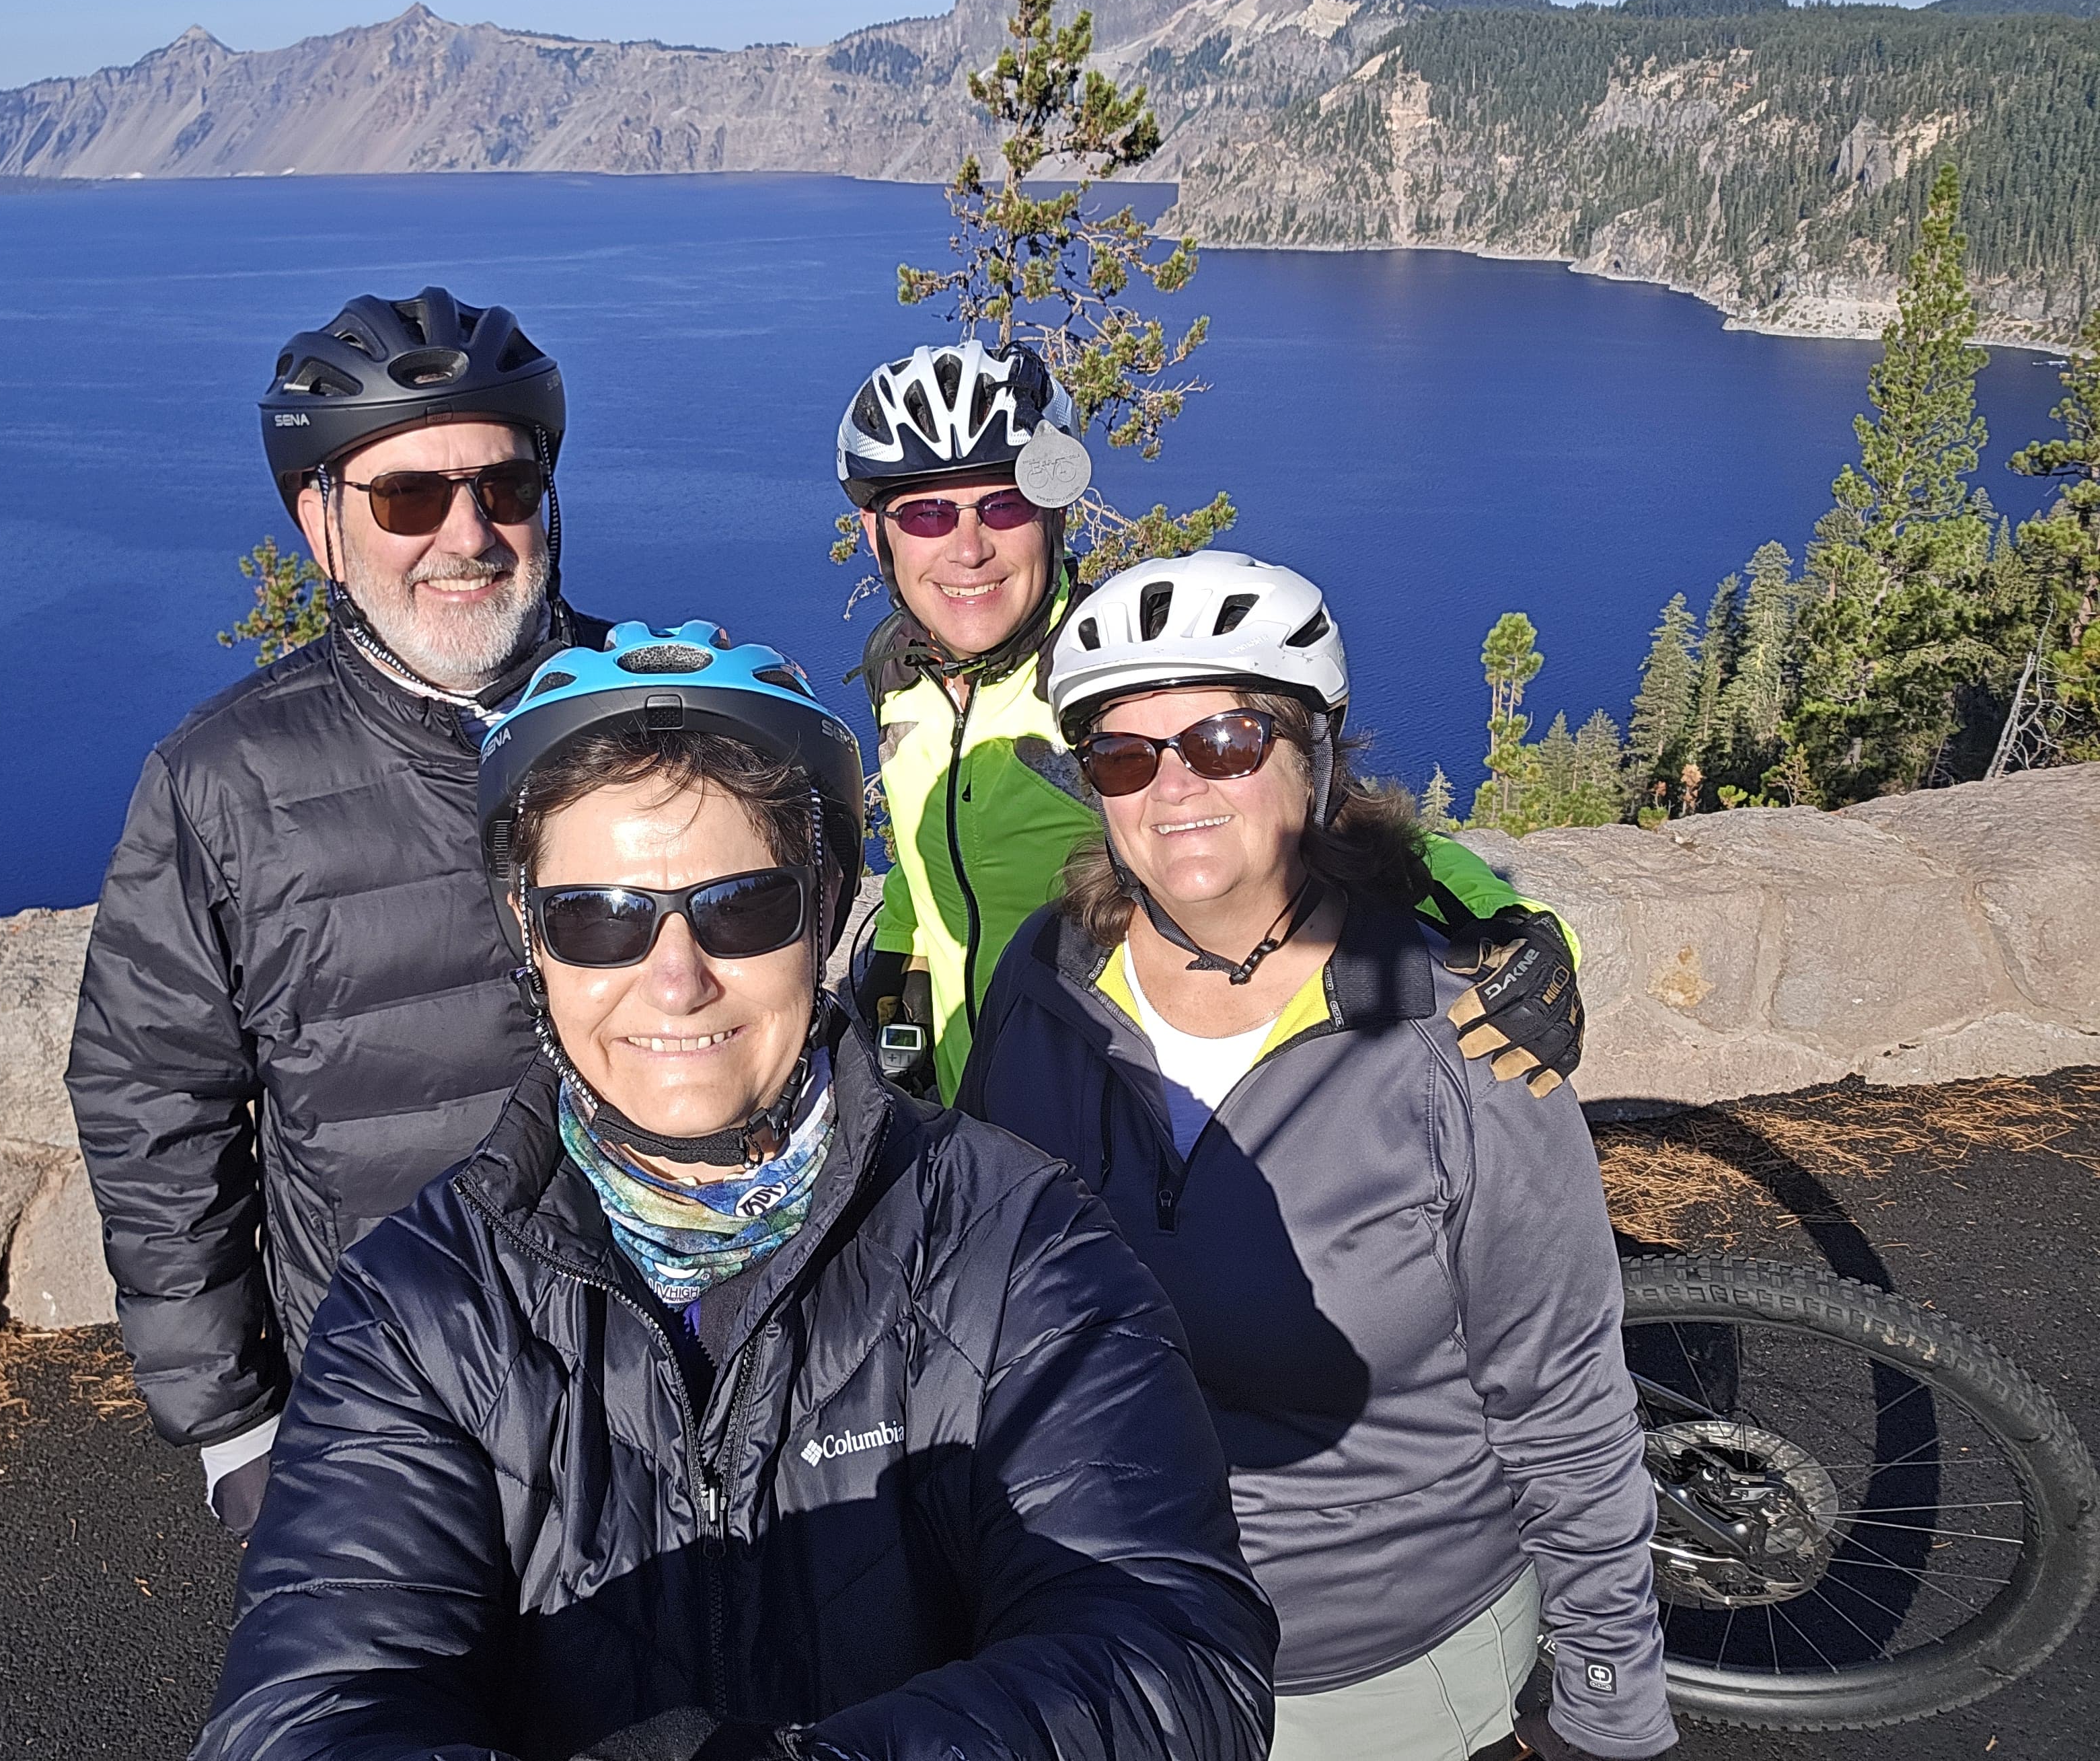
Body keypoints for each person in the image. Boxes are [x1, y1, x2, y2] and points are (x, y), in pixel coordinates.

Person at [198, 622, 1279, 1761]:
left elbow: (1174, 1650)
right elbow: (311, 1708)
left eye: (741, 909)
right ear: (530, 938)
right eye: (597, 920)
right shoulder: (420, 1308)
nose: (675, 980)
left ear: (819, 910)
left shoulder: (1015, 1247)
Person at [959, 550, 1675, 1761]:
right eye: (1125, 755)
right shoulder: (1050, 978)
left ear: (1315, 757)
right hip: (1085, 1637)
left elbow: (1563, 1403)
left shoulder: (1456, 1042)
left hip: (1360, 1674)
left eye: (1228, 740)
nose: (1174, 786)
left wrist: (1611, 1703)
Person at [65, 287, 608, 1539]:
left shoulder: (657, 716)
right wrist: (233, 1428)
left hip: (674, 1377)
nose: (468, 535)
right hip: (389, 1403)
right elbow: (152, 1103)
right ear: (319, 525)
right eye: (408, 498)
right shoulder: (225, 784)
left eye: (506, 488)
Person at [835, 340, 1585, 1103]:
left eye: (1005, 505)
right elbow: (924, 852)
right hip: (970, 1095)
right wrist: (901, 956)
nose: (968, 550)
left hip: (1110, 1107)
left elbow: (1331, 819)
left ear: (1052, 515)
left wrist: (1517, 926)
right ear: (877, 535)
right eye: (925, 513)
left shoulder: (1115, 684)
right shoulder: (900, 668)